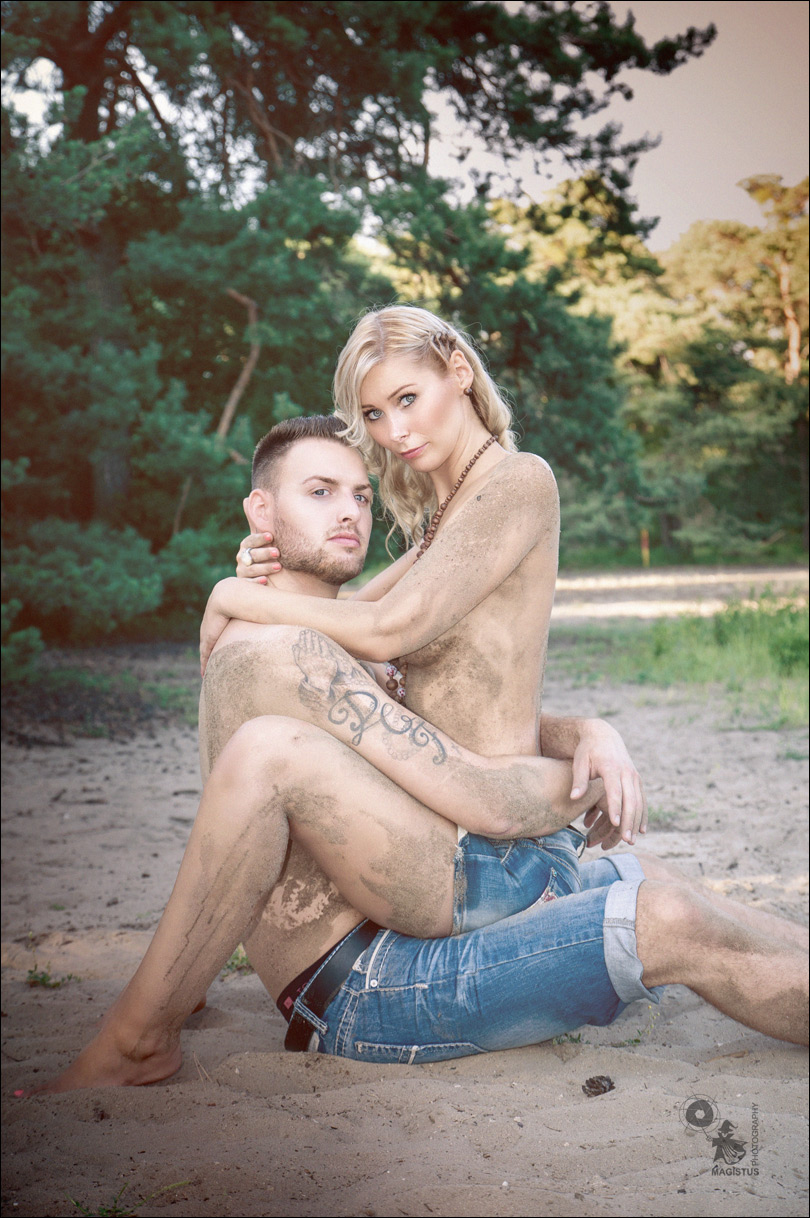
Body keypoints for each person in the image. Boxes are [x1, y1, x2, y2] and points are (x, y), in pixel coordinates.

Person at [36, 407, 807, 1091]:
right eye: (320, 492)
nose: (350, 512)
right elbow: (474, 790)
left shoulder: (321, 645)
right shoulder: (275, 656)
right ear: (260, 512)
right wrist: (585, 782)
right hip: (370, 986)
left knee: (664, 880)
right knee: (665, 917)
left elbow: (434, 740)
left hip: (426, 924)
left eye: (360, 494)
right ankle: (137, 1038)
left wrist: (588, 735)